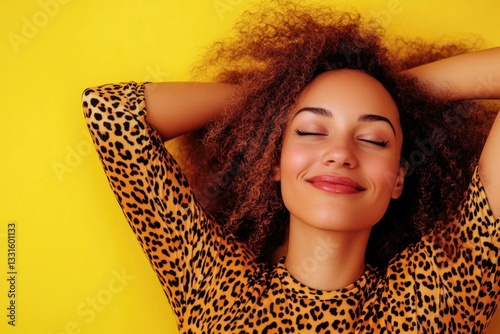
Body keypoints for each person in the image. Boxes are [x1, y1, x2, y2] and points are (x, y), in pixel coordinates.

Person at [82, 3, 500, 333]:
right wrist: (269, 102)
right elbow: (110, 111)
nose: (340, 154)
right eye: (312, 131)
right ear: (275, 163)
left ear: (398, 179)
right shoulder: (212, 285)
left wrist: (398, 96)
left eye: (374, 138)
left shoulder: (437, 297)